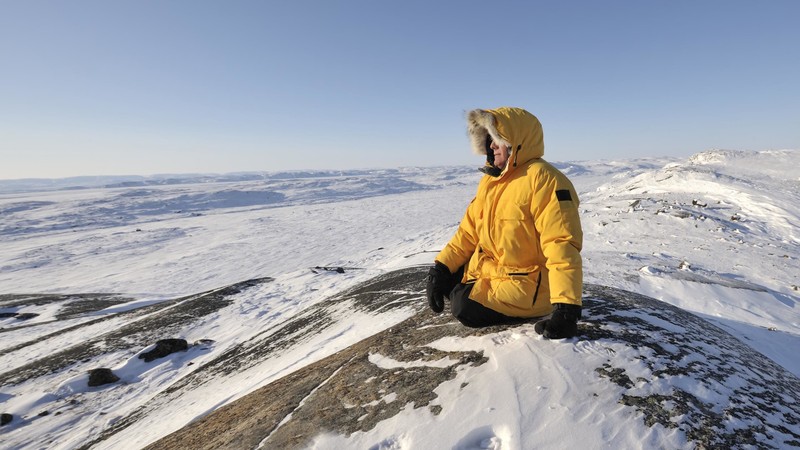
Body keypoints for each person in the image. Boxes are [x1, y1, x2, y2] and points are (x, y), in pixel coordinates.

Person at [425, 107, 583, 339]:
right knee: (450, 281)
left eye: (496, 140)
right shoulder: (491, 181)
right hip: (497, 272)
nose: (490, 146)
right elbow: (468, 234)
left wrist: (567, 309)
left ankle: (538, 306)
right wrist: (440, 269)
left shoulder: (545, 180)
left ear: (516, 143)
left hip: (531, 285)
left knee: (464, 307)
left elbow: (561, 244)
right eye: (488, 139)